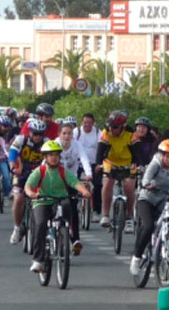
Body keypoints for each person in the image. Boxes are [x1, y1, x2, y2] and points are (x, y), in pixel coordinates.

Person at [24, 139, 91, 273]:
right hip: (42, 201)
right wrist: (32, 194)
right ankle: (38, 260)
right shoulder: (40, 171)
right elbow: (28, 186)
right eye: (51, 155)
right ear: (45, 157)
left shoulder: (63, 171)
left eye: (56, 155)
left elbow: (74, 182)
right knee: (41, 224)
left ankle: (66, 234)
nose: (54, 158)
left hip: (59, 200)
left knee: (67, 207)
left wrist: (84, 191)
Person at [129, 138, 169, 277]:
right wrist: (148, 184)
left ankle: (167, 247)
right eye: (167, 156)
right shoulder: (155, 164)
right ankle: (137, 257)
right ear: (162, 155)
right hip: (147, 198)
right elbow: (146, 178)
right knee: (148, 226)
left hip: (163, 200)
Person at [8, 118, 50, 242]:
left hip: (38, 173)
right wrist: (12, 167)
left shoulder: (47, 143)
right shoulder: (21, 139)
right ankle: (16, 228)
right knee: (18, 198)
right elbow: (12, 153)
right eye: (35, 133)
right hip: (22, 172)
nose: (37, 137)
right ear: (30, 132)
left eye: (40, 134)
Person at [57, 120, 93, 254]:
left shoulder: (77, 145)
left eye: (69, 133)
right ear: (60, 134)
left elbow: (84, 159)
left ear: (73, 135)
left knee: (72, 208)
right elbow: (45, 161)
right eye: (64, 133)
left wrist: (88, 174)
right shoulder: (55, 144)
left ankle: (76, 240)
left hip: (71, 180)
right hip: (56, 179)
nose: (67, 136)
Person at [97, 110, 136, 229]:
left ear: (123, 127)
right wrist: (98, 164)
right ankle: (106, 215)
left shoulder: (131, 134)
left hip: (127, 162)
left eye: (115, 127)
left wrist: (139, 166)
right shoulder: (106, 133)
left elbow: (137, 153)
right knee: (108, 182)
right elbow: (100, 150)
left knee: (129, 187)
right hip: (111, 161)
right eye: (110, 126)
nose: (111, 130)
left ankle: (129, 216)